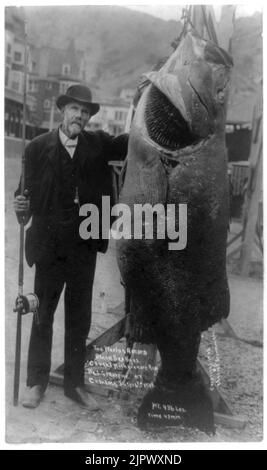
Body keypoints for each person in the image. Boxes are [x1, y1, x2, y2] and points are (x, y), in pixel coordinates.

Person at [14, 84, 128, 409]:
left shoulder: (99, 145)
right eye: (75, 109)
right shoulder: (37, 148)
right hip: (48, 249)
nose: (79, 115)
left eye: (85, 111)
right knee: (42, 315)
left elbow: (129, 142)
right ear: (64, 110)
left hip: (83, 248)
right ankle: (36, 382)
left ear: (89, 117)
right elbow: (22, 194)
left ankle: (74, 385)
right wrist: (19, 206)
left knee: (79, 319)